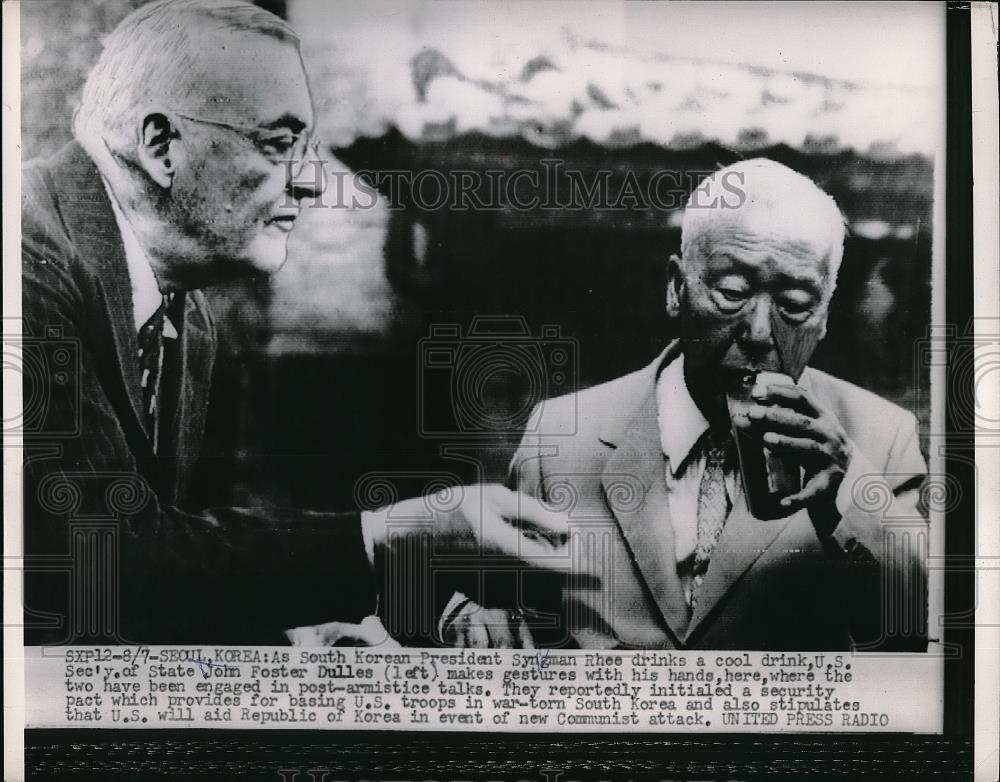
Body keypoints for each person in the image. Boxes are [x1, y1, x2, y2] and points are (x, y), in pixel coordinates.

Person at [20, 0, 569, 645]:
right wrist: (390, 535)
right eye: (280, 144)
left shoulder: (186, 316)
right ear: (161, 145)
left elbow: (176, 556)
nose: (311, 183)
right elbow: (104, 558)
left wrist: (293, 634)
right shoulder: (23, 265)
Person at [441, 159, 928, 651]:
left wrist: (847, 495)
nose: (759, 333)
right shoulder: (561, 435)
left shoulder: (882, 441)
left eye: (795, 304)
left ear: (824, 316)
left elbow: (914, 640)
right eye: (732, 294)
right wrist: (477, 620)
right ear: (676, 288)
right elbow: (499, 609)